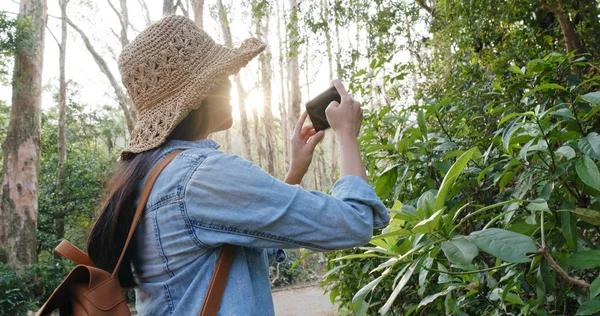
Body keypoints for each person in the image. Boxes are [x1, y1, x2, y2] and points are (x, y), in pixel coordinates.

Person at [86, 15, 389, 315]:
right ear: (199, 94)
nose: (230, 84)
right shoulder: (201, 175)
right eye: (221, 75)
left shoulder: (151, 176)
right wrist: (347, 135)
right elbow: (354, 222)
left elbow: (246, 246)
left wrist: (295, 172)